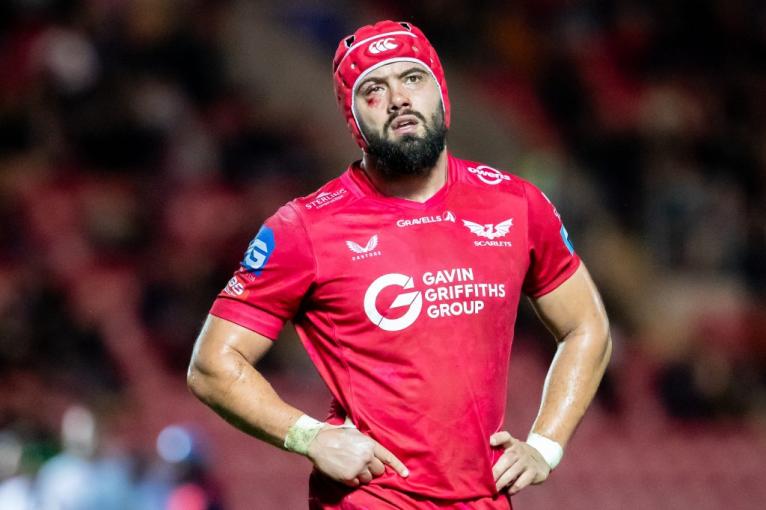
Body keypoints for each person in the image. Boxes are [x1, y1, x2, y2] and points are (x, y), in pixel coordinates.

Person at [187, 20, 611, 509]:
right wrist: (309, 437)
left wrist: (545, 446)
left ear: (441, 93)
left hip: (484, 498)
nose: (398, 99)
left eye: (412, 78)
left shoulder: (517, 204)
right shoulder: (303, 228)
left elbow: (587, 326)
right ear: (353, 119)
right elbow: (212, 365)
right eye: (373, 89)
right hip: (369, 499)